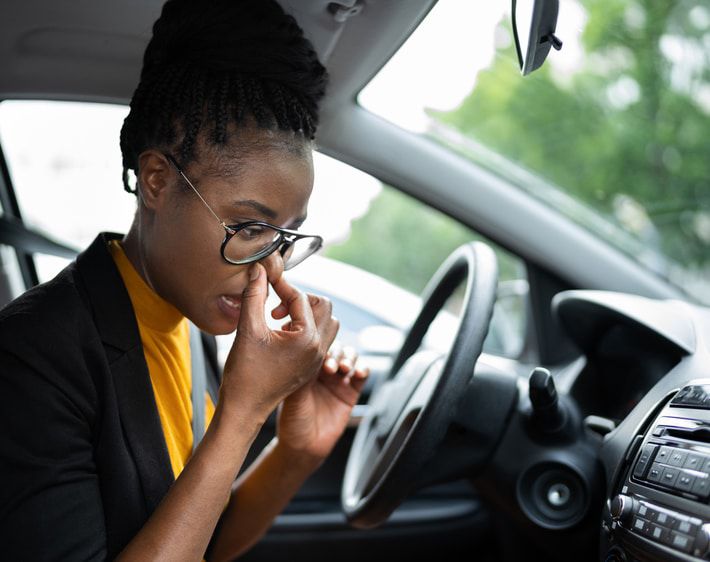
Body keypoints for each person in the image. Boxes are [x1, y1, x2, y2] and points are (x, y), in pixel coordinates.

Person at [0, 0, 369, 560]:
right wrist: (244, 413)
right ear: (156, 180)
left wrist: (297, 452)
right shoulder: (32, 358)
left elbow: (202, 541)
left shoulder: (190, 320)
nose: (268, 272)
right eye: (249, 227)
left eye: (286, 237)